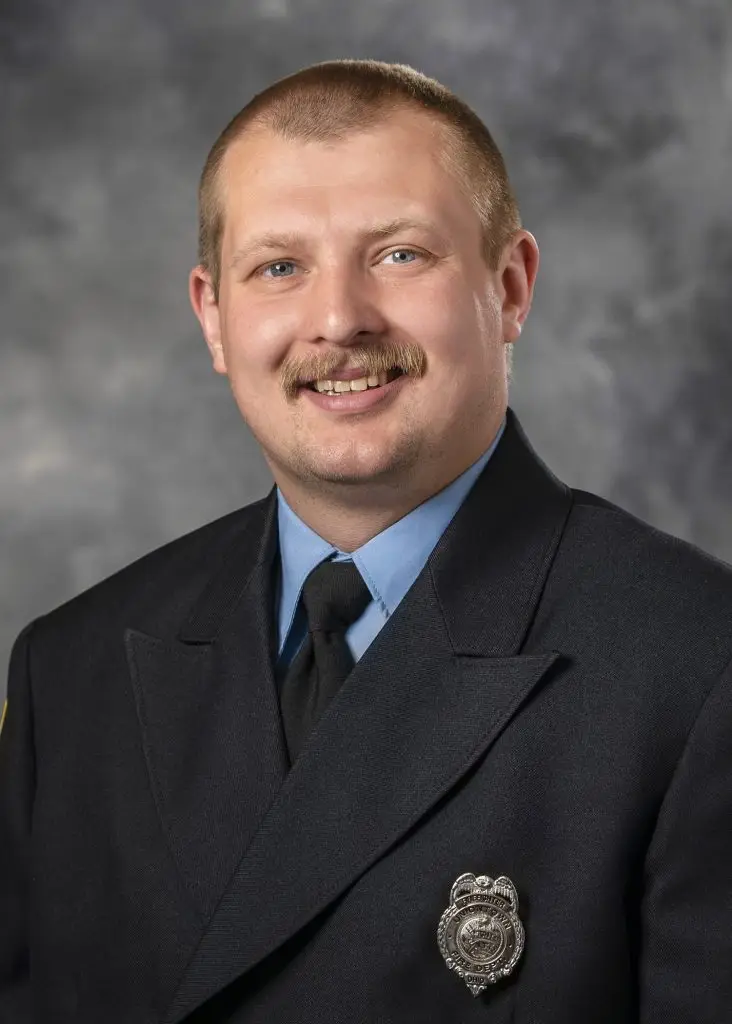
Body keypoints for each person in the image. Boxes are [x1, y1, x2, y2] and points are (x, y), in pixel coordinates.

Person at [1, 59, 731, 1024]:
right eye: (278, 267)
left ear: (509, 287)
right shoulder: (69, 673)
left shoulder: (699, 666)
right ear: (214, 318)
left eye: (399, 254)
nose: (339, 319)